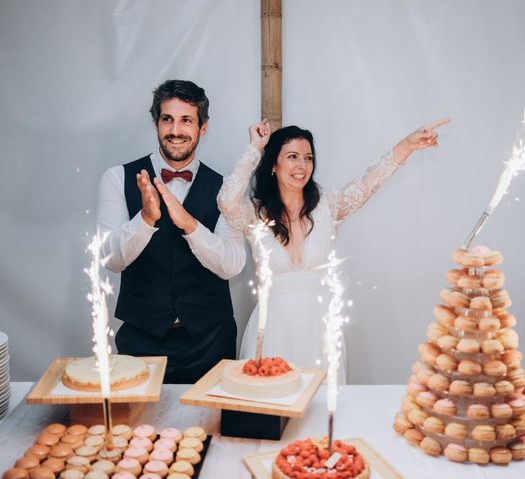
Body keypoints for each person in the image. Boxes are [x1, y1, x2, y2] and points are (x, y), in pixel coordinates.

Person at [217, 118, 449, 382]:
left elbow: (369, 182)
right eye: (292, 156)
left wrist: (407, 145)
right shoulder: (256, 213)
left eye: (308, 158)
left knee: (318, 413)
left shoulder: (328, 206)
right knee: (268, 410)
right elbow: (226, 201)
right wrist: (254, 148)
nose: (302, 165)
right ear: (274, 164)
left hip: (319, 329)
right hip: (272, 328)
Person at [97, 80, 246, 384]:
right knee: (140, 429)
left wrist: (190, 225)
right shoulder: (117, 178)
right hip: (141, 339)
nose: (175, 130)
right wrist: (146, 219)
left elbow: (232, 264)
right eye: (167, 119)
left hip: (211, 340)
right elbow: (110, 259)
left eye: (186, 120)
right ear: (156, 124)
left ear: (202, 127)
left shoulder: (227, 189)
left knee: (209, 429)